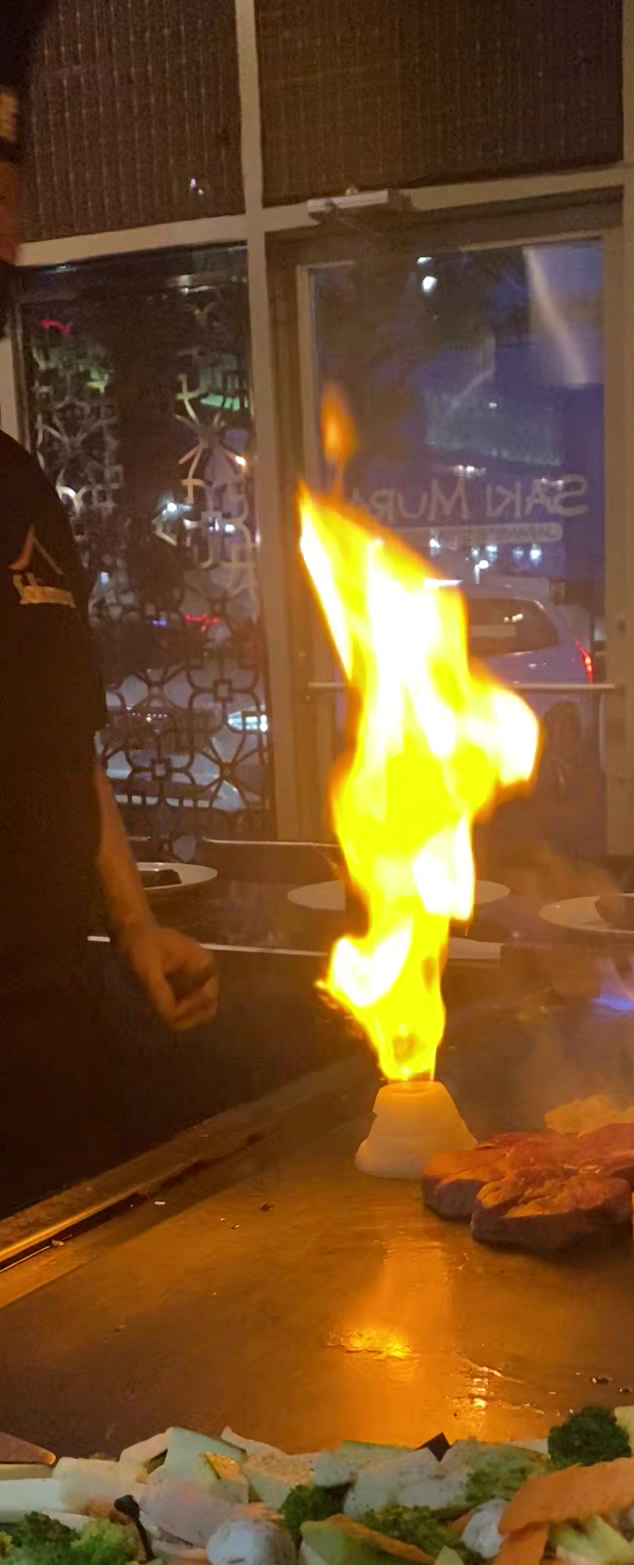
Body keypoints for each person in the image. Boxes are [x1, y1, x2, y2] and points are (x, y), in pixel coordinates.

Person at [1, 2, 218, 1216]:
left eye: (9, 208)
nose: (10, 241)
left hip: (54, 1013)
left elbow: (64, 738)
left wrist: (133, 922)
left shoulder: (18, 485)